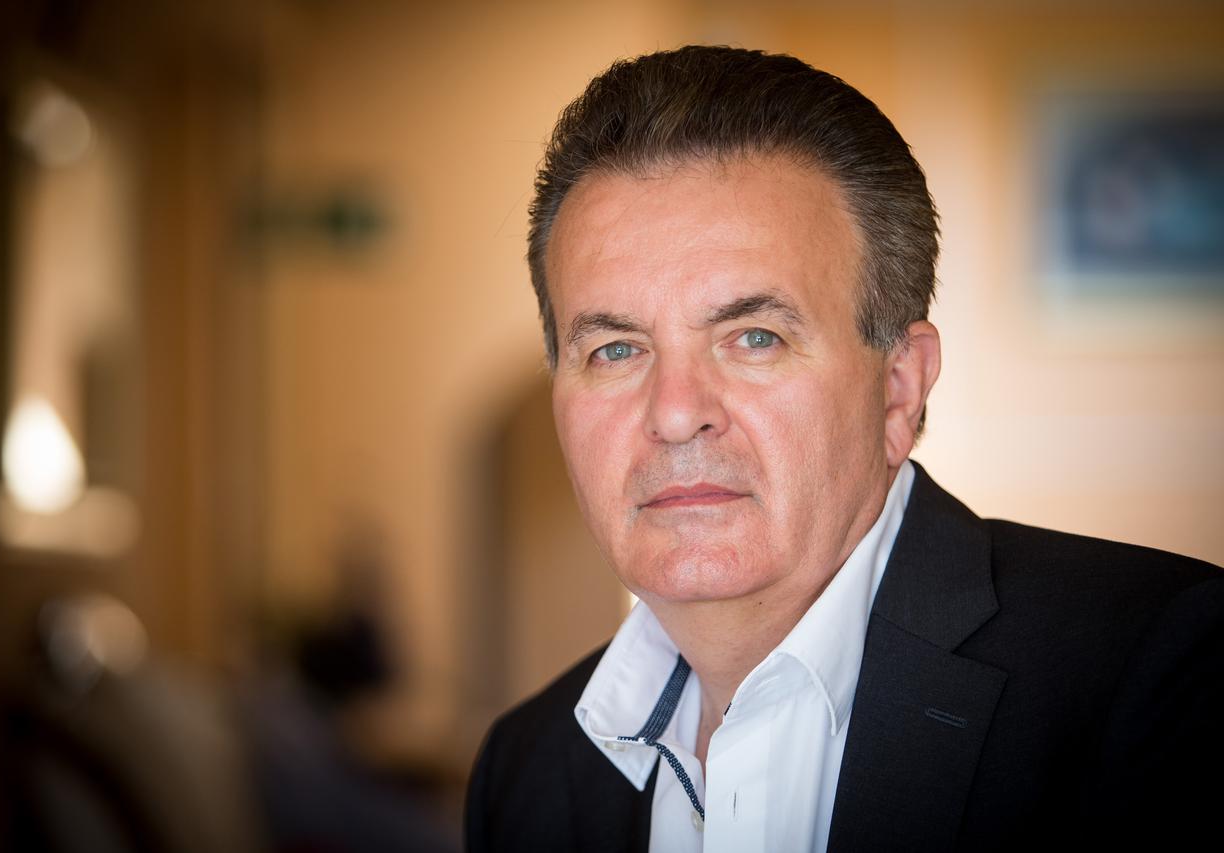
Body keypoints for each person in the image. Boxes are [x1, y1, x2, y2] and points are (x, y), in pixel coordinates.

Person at [464, 46, 1223, 853]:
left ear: (899, 387)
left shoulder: (1165, 673)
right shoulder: (524, 770)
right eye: (615, 349)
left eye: (754, 336)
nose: (677, 414)